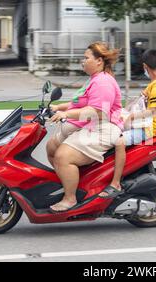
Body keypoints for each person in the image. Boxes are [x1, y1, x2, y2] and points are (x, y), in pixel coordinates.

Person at [47, 41, 124, 212]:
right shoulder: (93, 80)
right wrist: (58, 107)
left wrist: (66, 114)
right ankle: (73, 182)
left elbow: (97, 111)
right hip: (90, 125)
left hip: (104, 128)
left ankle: (70, 199)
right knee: (51, 147)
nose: (83, 61)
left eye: (86, 57)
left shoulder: (103, 82)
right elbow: (79, 103)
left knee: (62, 156)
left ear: (99, 61)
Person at [98, 49, 156, 198]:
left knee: (119, 141)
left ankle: (115, 182)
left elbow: (152, 111)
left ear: (145, 66)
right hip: (144, 125)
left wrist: (131, 117)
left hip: (149, 129)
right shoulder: (153, 83)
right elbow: (139, 102)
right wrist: (124, 111)